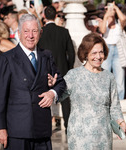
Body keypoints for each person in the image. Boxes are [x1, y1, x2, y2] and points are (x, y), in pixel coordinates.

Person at [0, 14, 66, 150]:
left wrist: (52, 92)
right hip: (17, 131)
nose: (30, 36)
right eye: (26, 31)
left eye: (34, 31)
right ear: (19, 33)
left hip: (41, 129)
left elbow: (61, 83)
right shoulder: (7, 59)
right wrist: (0, 127)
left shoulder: (47, 56)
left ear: (40, 33)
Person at [53, 32, 126, 149]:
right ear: (85, 54)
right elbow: (58, 96)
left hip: (103, 135)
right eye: (94, 53)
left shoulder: (109, 77)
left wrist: (120, 121)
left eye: (101, 52)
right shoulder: (73, 75)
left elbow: (114, 106)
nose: (98, 56)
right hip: (79, 136)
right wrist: (53, 85)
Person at [38, 5, 75, 133]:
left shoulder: (40, 33)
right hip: (62, 69)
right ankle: (68, 127)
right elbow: (71, 52)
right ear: (55, 16)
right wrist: (69, 67)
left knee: (44, 98)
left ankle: (44, 127)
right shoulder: (64, 31)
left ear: (44, 16)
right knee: (65, 99)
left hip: (44, 71)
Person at [98, 1, 126, 100]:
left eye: (112, 9)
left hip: (118, 50)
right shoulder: (103, 22)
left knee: (119, 78)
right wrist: (106, 15)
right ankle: (107, 101)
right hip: (107, 50)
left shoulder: (119, 23)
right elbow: (102, 31)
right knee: (105, 78)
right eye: (108, 8)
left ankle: (120, 101)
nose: (110, 10)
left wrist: (115, 8)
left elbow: (123, 19)